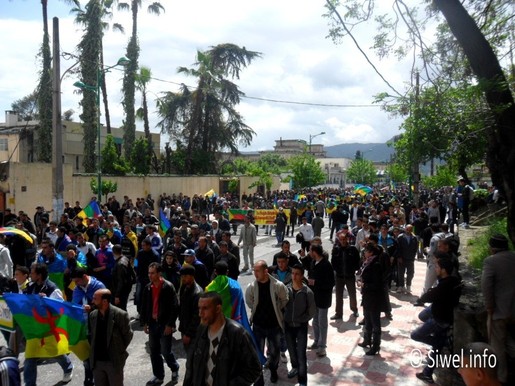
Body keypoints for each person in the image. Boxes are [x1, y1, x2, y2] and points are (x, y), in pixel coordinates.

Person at [183, 292, 262, 386]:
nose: (200, 314)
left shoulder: (238, 334)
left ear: (218, 309)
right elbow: (191, 365)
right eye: (199, 308)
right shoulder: (201, 329)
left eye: (205, 308)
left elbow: (255, 368)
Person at [411, 254, 462, 384]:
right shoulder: (453, 280)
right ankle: (428, 373)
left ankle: (442, 343)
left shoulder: (443, 287)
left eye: (438, 267)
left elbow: (427, 296)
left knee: (416, 335)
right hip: (443, 314)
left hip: (440, 319)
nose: (436, 269)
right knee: (422, 316)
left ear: (444, 270)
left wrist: (425, 295)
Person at [24, 263, 74, 386]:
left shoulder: (52, 289)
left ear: (39, 275)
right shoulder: (31, 286)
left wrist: (46, 300)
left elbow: (60, 309)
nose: (30, 274)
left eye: (32, 272)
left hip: (48, 328)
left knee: (54, 352)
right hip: (34, 328)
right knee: (30, 358)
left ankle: (68, 367)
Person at [245, 260, 289, 385]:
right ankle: (259, 378)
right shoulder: (252, 287)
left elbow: (285, 298)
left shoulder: (277, 285)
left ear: (265, 271)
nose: (255, 274)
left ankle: (273, 370)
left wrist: (277, 306)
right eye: (254, 271)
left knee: (274, 352)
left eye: (257, 271)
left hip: (274, 326)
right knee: (258, 352)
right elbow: (249, 301)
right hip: (258, 326)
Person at [481, 234, 515, 385]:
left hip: (499, 310)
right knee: (508, 340)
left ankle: (500, 378)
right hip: (513, 309)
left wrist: (489, 306)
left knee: (497, 346)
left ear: (492, 248)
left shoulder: (491, 261)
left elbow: (486, 285)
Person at [140, 262, 180, 386]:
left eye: (152, 273)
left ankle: (174, 368)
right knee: (154, 351)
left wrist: (170, 324)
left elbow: (174, 307)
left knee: (166, 351)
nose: (150, 275)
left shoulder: (168, 287)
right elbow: (145, 306)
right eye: (149, 273)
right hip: (152, 324)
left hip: (164, 324)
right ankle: (158, 375)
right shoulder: (148, 288)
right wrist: (145, 323)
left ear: (159, 273)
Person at [88, 289, 133, 386]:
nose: (92, 301)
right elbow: (91, 336)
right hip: (97, 362)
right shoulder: (93, 315)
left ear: (104, 301)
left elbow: (128, 335)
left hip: (113, 361)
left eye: (95, 299)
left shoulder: (120, 315)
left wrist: (118, 350)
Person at [283, 264, 315, 386]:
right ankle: (295, 367)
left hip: (301, 327)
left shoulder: (308, 292)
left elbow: (312, 311)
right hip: (288, 326)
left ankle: (302, 380)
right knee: (291, 351)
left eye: (297, 274)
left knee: (301, 354)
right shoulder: (286, 289)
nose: (294, 276)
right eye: (293, 273)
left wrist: (303, 319)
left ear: (302, 276)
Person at [357, 242, 384, 356]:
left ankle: (376, 346)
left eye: (366, 251)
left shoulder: (376, 264)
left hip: (374, 297)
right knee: (367, 320)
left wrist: (364, 285)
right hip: (367, 296)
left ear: (371, 252)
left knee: (375, 323)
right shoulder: (367, 262)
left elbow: (377, 284)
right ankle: (367, 340)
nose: (364, 252)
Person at [307, 244, 335, 357]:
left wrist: (316, 283)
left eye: (310, 250)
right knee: (315, 321)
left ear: (315, 252)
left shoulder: (326, 265)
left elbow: (331, 283)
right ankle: (316, 341)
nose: (309, 252)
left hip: (323, 298)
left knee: (322, 322)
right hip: (314, 298)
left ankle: (322, 347)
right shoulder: (313, 263)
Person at [330, 232, 360, 320]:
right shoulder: (336, 249)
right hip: (339, 277)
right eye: (341, 240)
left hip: (350, 276)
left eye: (344, 239)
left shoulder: (353, 249)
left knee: (352, 294)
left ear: (347, 239)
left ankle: (354, 310)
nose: (342, 241)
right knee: (338, 296)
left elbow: (357, 261)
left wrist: (353, 269)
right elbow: (333, 262)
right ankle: (338, 313)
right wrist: (337, 270)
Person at [178, 265, 203, 354]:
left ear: (192, 276)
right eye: (182, 276)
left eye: (185, 276)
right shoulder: (184, 287)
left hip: (193, 333)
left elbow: (197, 317)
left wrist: (189, 334)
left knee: (194, 357)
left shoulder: (197, 293)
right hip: (185, 328)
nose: (183, 279)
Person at [395, 224, 418, 293]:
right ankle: (401, 286)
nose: (408, 231)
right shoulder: (400, 237)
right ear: (405, 229)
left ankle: (408, 286)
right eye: (407, 229)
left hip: (410, 258)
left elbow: (415, 248)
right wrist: (399, 257)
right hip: (402, 258)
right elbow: (398, 248)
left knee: (410, 273)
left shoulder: (414, 238)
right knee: (401, 273)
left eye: (410, 230)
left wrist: (413, 257)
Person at [111, 244, 134, 311]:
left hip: (121, 291)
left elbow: (121, 281)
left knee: (120, 309)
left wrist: (117, 296)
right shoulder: (125, 258)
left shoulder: (120, 264)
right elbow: (132, 272)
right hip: (126, 288)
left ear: (113, 252)